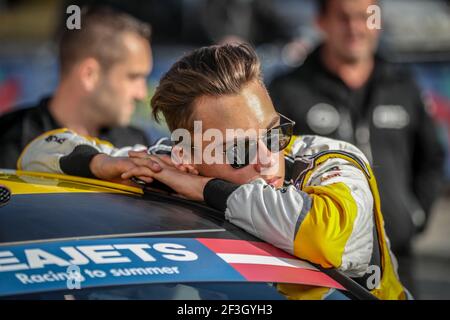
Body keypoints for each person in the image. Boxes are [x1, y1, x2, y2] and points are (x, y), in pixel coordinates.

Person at [18, 43, 408, 299]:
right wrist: (102, 164)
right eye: (238, 148)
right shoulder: (169, 164)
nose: (266, 157)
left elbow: (322, 235)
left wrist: (205, 187)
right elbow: (37, 154)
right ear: (188, 155)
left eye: (273, 133)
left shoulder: (331, 161)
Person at [268, 0, 445, 257]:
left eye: (365, 17)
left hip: (395, 256)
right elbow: (269, 161)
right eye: (343, 17)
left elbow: (431, 157)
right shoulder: (288, 90)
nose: (354, 27)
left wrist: (415, 214)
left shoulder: (403, 86)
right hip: (319, 258)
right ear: (321, 22)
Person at [0, 7, 155, 169]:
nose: (142, 94)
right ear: (89, 75)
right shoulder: (10, 141)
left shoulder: (135, 144)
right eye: (133, 77)